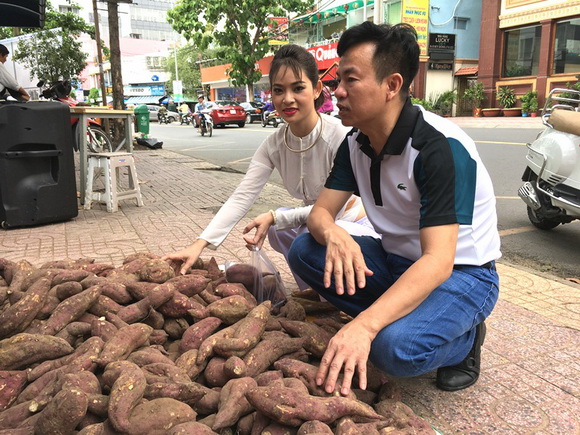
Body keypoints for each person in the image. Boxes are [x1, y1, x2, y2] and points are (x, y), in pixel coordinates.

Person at [288, 22, 501, 395]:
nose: (337, 92)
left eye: (350, 80)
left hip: (463, 274)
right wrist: (335, 234)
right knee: (306, 250)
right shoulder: (355, 144)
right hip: (396, 261)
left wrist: (365, 326)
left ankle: (466, 341)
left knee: (392, 349)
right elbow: (320, 214)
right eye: (338, 80)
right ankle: (401, 318)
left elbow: (438, 261)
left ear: (392, 85)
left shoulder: (439, 148)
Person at [163, 44, 378, 290]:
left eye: (298, 88)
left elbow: (331, 209)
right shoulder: (275, 144)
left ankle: (340, 298)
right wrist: (199, 244)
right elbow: (242, 196)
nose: (287, 99)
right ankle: (314, 293)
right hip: (317, 222)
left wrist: (276, 216)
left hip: (353, 226)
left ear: (317, 89)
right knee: (281, 231)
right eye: (279, 90)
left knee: (299, 236)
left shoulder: (340, 137)